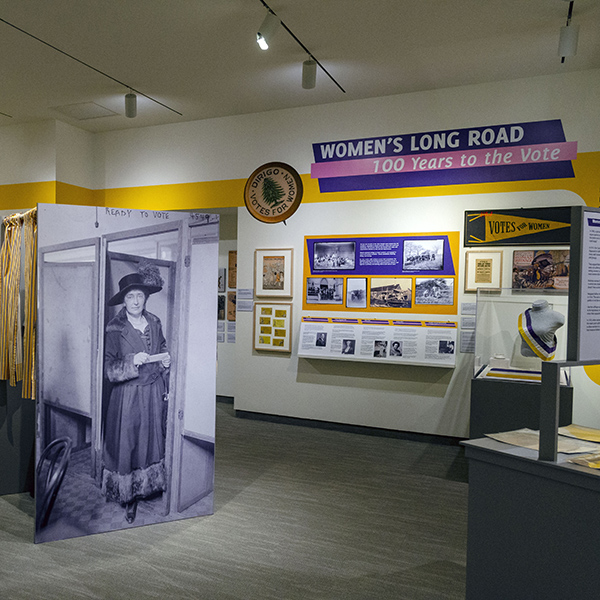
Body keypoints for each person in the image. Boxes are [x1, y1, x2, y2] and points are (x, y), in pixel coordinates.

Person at [102, 268, 171, 524]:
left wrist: (166, 359)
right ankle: (128, 495)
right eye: (130, 297)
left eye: (139, 296)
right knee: (128, 443)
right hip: (127, 396)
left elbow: (162, 346)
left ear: (145, 298)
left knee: (150, 441)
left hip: (152, 391)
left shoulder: (155, 321)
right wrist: (132, 361)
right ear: (124, 300)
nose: (135, 301)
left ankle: (147, 487)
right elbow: (109, 369)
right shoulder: (115, 328)